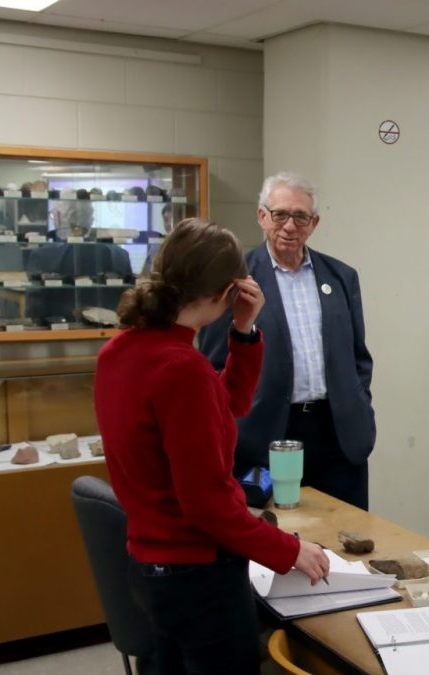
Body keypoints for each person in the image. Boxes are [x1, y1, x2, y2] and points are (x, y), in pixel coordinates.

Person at [94, 218, 329, 675]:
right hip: (198, 577)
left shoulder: (123, 350)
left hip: (150, 567)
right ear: (227, 291)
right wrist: (287, 549)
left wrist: (244, 332)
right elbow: (207, 504)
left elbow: (227, 405)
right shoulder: (182, 369)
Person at [199, 172, 376, 510]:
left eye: (300, 217)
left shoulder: (341, 277)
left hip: (337, 432)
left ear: (315, 222)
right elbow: (213, 364)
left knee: (347, 532)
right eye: (280, 214)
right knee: (278, 538)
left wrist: (359, 402)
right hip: (266, 434)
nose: (290, 226)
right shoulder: (236, 279)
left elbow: (359, 359)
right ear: (262, 216)